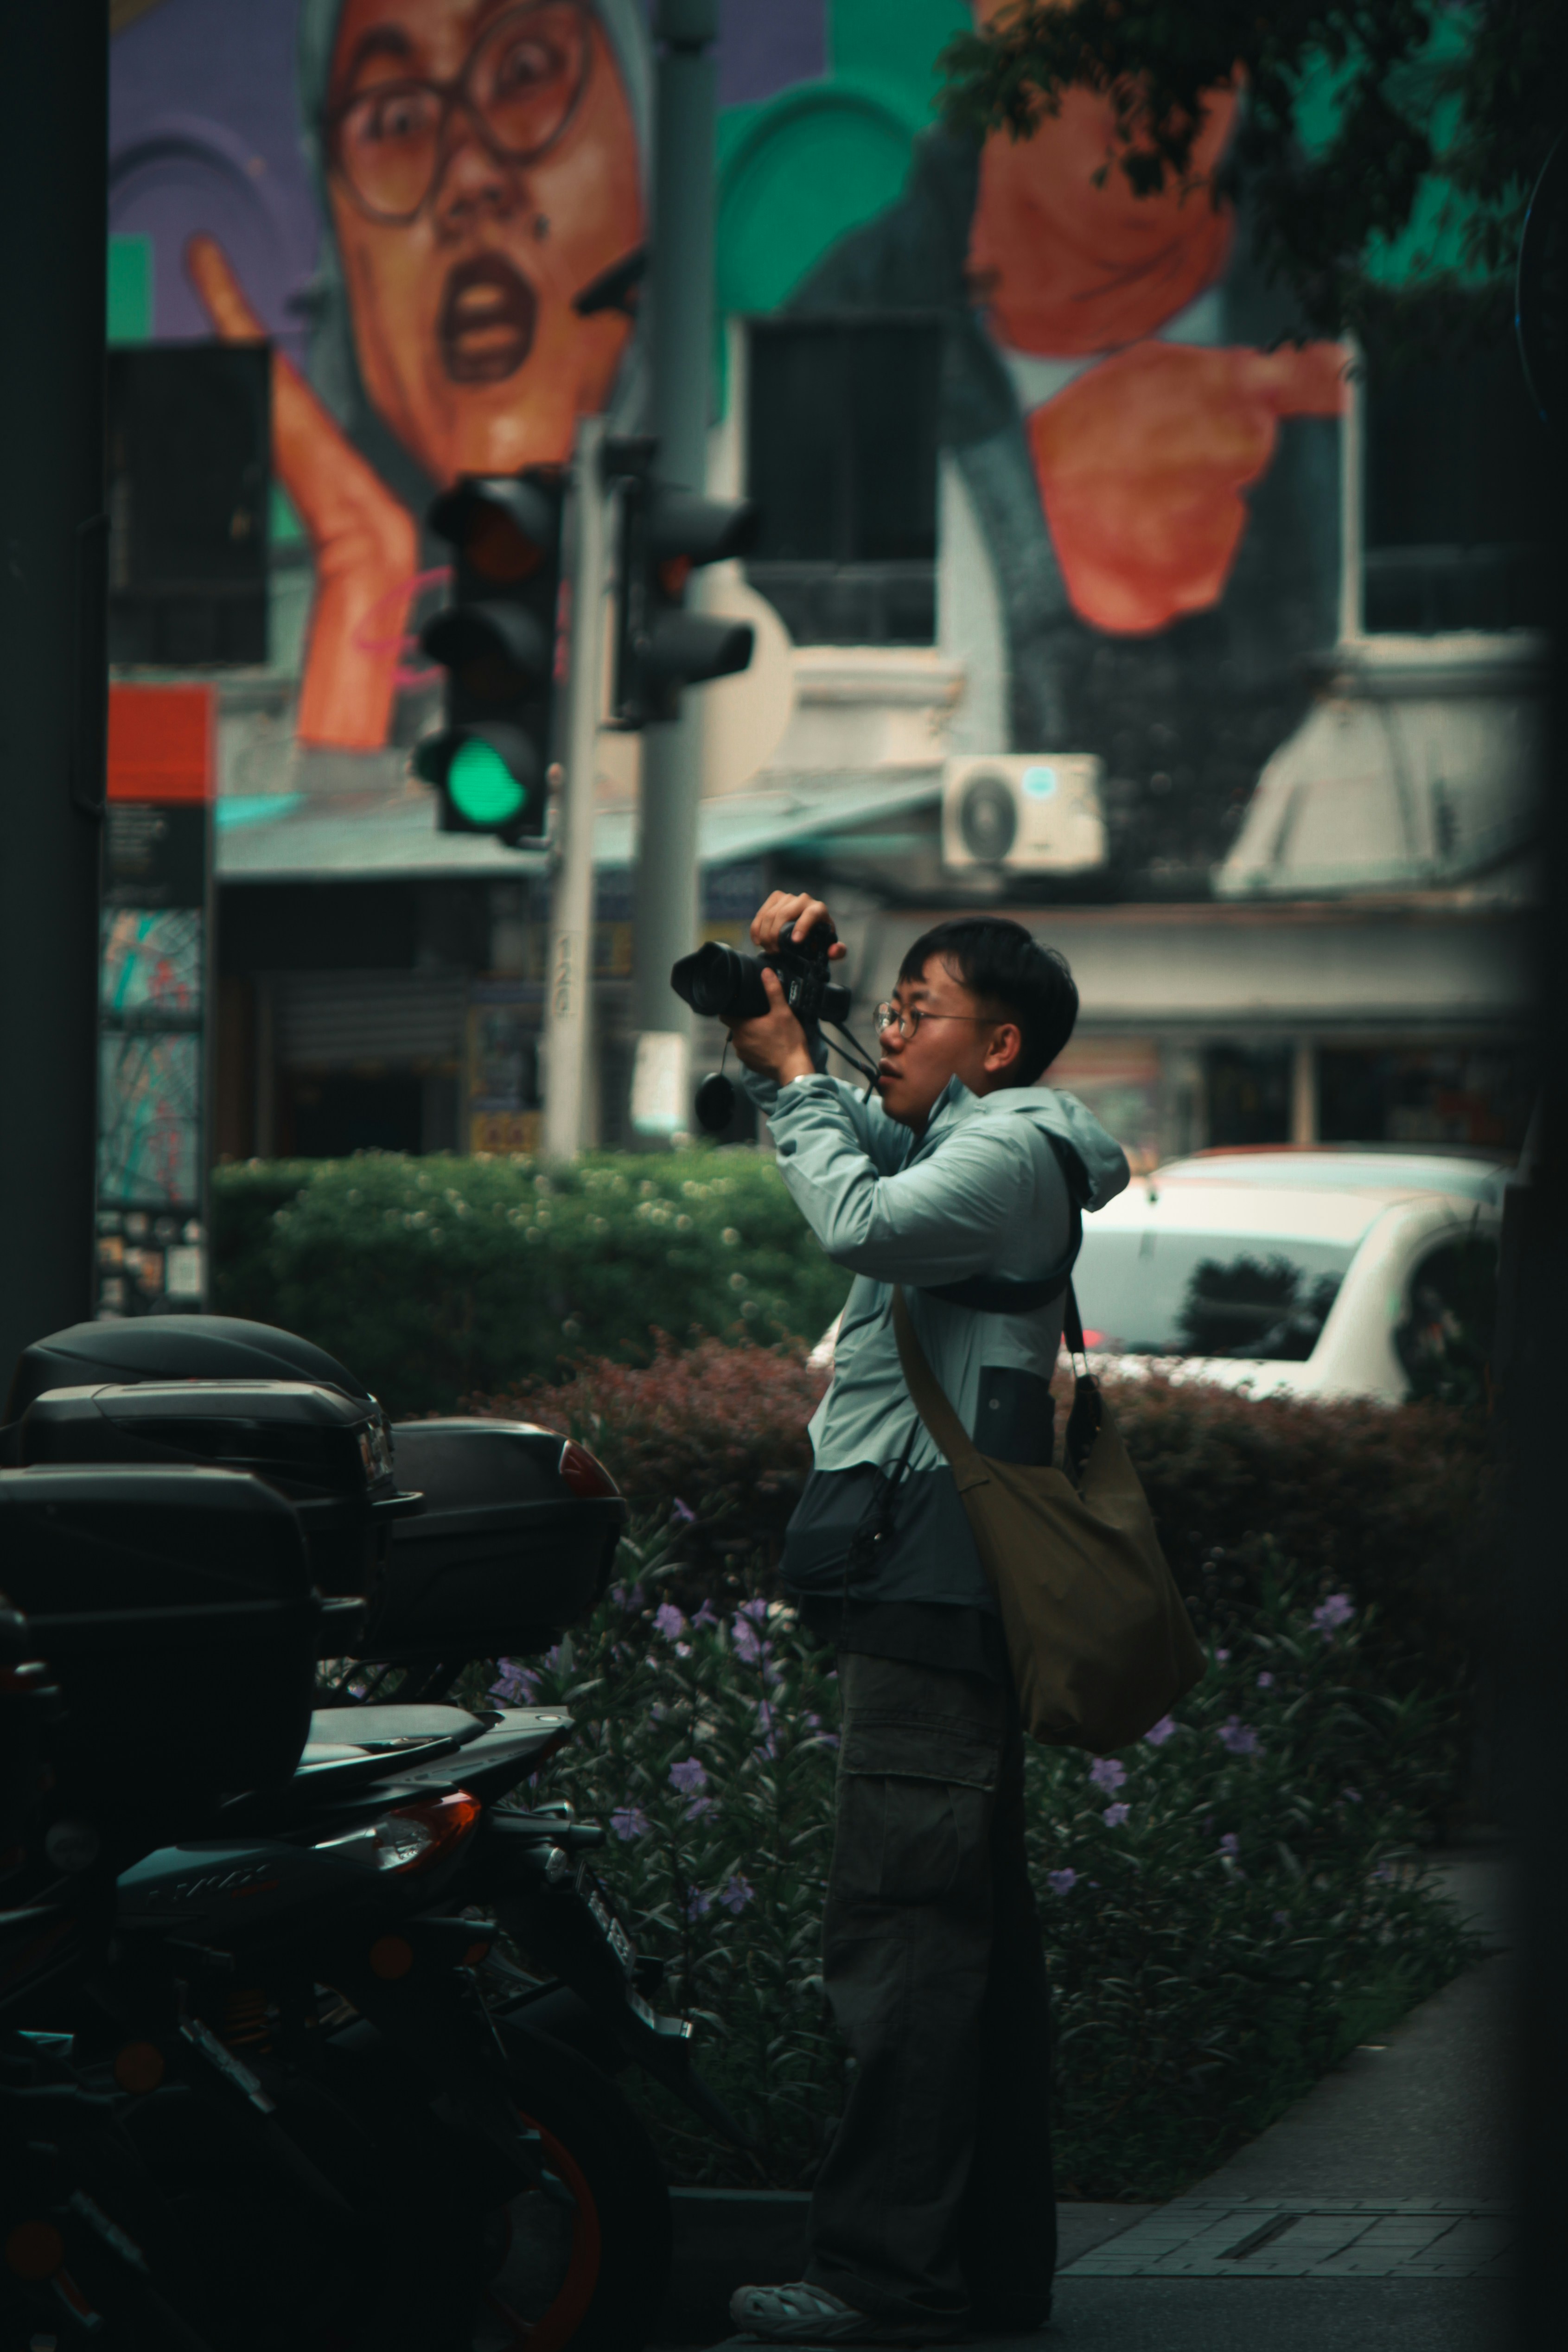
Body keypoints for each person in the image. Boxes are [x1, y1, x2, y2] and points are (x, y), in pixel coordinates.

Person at [722, 893, 1130, 2345]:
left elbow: (853, 1211)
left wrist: (792, 1076)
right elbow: (831, 1129)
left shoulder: (1006, 1149)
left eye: (916, 1008)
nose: (888, 1029)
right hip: (932, 1572)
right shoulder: (974, 1138)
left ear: (998, 1044)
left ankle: (874, 2279)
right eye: (884, 1005)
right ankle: (980, 2269)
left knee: (899, 1932)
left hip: (933, 1577)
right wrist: (787, 1003)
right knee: (963, 1936)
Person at [187, 0, 648, 752]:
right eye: (398, 121)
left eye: (525, 72)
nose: (467, 177)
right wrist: (360, 567)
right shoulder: (256, 645)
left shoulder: (718, 580)